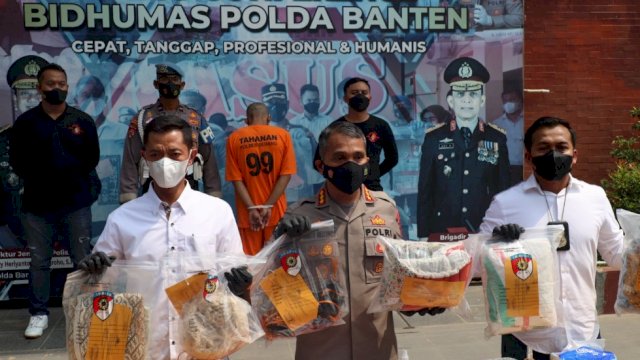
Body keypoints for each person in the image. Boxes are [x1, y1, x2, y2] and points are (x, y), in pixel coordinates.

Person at [79, 115, 248, 359]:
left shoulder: (217, 212)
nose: (164, 162)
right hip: (146, 348)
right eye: (156, 154)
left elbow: (234, 273)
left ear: (191, 157)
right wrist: (92, 272)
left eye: (174, 153)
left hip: (206, 346)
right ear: (145, 156)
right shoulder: (122, 219)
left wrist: (242, 284)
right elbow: (104, 285)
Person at [275, 121, 439, 360]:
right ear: (321, 166)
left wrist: (423, 300)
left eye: (358, 156)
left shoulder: (386, 210)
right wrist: (281, 246)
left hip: (377, 349)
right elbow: (276, 293)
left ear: (367, 162)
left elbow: (399, 279)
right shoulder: (300, 217)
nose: (350, 164)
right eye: (340, 157)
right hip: (321, 352)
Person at [479, 116, 624, 359]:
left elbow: (616, 253)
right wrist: (495, 245)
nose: (553, 154)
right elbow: (476, 261)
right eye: (544, 148)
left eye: (561, 147)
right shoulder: (506, 204)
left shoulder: (594, 197)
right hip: (527, 339)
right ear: (529, 156)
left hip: (585, 334)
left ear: (574, 155)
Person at [9, 63, 101, 339]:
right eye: (51, 84)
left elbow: (91, 159)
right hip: (38, 206)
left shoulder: (82, 120)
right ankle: (38, 314)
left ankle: (87, 311)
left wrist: (69, 177)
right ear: (40, 88)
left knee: (83, 259)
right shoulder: (26, 123)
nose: (57, 88)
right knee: (39, 261)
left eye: (61, 83)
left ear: (67, 86)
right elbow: (17, 161)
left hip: (75, 204)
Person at [417, 57, 509, 238]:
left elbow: (502, 188)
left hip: (483, 228)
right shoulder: (434, 137)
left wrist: (502, 227)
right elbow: (425, 189)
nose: (467, 101)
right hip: (443, 228)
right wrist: (424, 233)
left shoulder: (496, 137)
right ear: (451, 101)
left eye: (473, 95)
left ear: (481, 100)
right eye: (460, 95)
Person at [119, 63, 221, 204]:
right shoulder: (142, 118)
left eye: (174, 79)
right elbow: (130, 159)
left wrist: (213, 193)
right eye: (165, 79)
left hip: (189, 185)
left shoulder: (196, 118)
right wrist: (128, 195)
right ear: (156, 84)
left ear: (182, 85)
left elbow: (209, 159)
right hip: (152, 186)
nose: (170, 83)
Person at [225, 103, 296, 255]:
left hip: (248, 215)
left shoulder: (234, 138)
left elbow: (236, 180)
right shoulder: (283, 135)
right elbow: (286, 175)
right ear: (269, 118)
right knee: (279, 261)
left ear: (246, 120)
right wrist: (268, 206)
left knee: (252, 264)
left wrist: (252, 208)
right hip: (275, 212)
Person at [314, 77, 399, 192]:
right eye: (354, 93)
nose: (360, 96)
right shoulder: (335, 128)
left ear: (370, 97)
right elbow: (318, 161)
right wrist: (338, 177)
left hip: (372, 189)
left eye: (364, 93)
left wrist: (373, 174)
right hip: (342, 191)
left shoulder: (381, 125)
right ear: (345, 98)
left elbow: (392, 158)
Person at [1, 55, 49, 248]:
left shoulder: (69, 135)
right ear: (15, 99)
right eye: (24, 94)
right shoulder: (2, 140)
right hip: (11, 240)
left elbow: (90, 185)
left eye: (37, 94)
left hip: (61, 238)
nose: (31, 100)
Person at [262, 83, 317, 203]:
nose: (275, 105)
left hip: (300, 195)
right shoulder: (257, 136)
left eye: (279, 101)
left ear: (287, 104)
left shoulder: (300, 131)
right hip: (270, 197)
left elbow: (316, 161)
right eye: (270, 102)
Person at [492, 87, 525, 185]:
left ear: (520, 101)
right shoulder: (496, 124)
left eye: (512, 100)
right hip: (505, 170)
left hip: (525, 169)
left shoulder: (528, 121)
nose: (508, 103)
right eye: (505, 101)